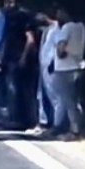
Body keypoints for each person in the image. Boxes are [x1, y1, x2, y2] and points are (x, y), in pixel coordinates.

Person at [0, 0, 37, 130]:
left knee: (19, 89)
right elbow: (7, 40)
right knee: (13, 89)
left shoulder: (23, 16)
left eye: (10, 2)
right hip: (10, 57)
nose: (7, 5)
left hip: (20, 57)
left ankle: (22, 120)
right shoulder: (8, 17)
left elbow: (30, 39)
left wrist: (24, 57)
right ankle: (14, 118)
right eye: (5, 2)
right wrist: (1, 58)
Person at [50, 6, 85, 139]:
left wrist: (61, 52)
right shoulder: (81, 27)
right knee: (74, 100)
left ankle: (73, 130)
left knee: (66, 100)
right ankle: (71, 126)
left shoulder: (67, 27)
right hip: (77, 66)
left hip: (64, 68)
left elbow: (61, 48)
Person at [33, 8, 62, 136]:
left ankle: (58, 124)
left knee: (54, 95)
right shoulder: (47, 30)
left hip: (51, 66)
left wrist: (53, 63)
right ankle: (44, 122)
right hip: (43, 66)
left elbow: (57, 48)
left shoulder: (57, 29)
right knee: (42, 94)